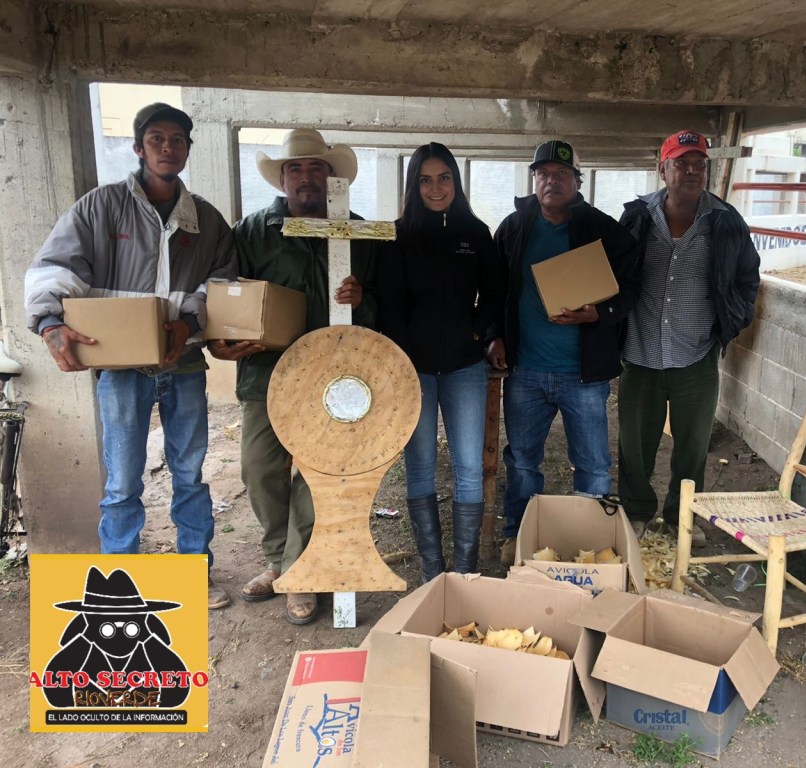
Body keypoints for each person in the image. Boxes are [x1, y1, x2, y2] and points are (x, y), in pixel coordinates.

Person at [24, 103, 238, 610]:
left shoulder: (206, 220)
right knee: (122, 483)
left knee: (190, 475)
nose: (168, 147)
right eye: (157, 138)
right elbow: (54, 268)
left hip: (184, 364)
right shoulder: (101, 207)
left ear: (188, 149)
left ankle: (195, 574)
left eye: (178, 140)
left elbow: (222, 284)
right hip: (120, 370)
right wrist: (50, 323)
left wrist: (189, 324)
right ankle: (116, 586)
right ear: (139, 147)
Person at [208, 129, 378, 625]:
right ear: (282, 179)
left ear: (331, 176)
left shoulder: (357, 232)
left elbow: (383, 302)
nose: (306, 177)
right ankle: (278, 557)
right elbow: (227, 295)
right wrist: (221, 338)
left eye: (316, 168)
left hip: (334, 374)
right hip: (267, 372)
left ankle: (298, 568)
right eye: (296, 169)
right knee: (259, 468)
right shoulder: (251, 231)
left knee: (318, 470)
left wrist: (362, 299)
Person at [486, 139, 641, 562]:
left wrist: (599, 313)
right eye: (543, 174)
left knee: (592, 464)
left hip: (583, 374)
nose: (550, 181)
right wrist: (494, 336)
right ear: (534, 180)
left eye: (561, 174)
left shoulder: (603, 230)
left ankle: (593, 543)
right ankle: (518, 534)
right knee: (522, 460)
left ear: (577, 181)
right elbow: (494, 290)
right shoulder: (514, 228)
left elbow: (632, 287)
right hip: (526, 370)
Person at [617, 130, 760, 542]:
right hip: (640, 352)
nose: (692, 171)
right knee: (634, 444)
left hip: (696, 356)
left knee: (693, 447)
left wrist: (733, 319)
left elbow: (748, 277)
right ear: (663, 169)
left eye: (700, 164)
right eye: (681, 163)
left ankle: (682, 518)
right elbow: (613, 270)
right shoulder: (637, 217)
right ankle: (636, 514)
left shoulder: (726, 222)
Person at [378, 142, 503, 582]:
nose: (436, 188)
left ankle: (465, 571)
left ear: (455, 181)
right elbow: (388, 303)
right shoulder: (397, 236)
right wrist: (402, 356)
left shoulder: (475, 233)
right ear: (413, 186)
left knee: (469, 466)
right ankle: (433, 571)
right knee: (421, 466)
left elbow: (495, 291)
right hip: (413, 370)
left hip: (464, 367)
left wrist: (479, 330)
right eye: (425, 180)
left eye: (444, 178)